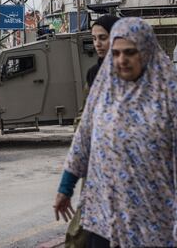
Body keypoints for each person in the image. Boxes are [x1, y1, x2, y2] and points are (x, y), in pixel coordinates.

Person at [53, 17, 177, 248]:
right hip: (108, 219)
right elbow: (84, 139)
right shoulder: (104, 90)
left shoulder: (175, 95)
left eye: (130, 52)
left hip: (166, 221)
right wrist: (65, 187)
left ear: (146, 51)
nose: (121, 60)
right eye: (116, 53)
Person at [67, 15, 119, 248]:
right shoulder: (93, 73)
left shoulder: (132, 70)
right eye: (94, 38)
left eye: (103, 38)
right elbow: (86, 113)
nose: (97, 43)